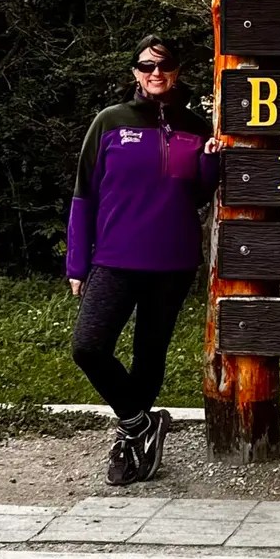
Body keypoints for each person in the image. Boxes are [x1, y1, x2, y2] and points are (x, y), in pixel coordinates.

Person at [67, 37, 221, 487]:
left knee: (149, 354)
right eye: (146, 65)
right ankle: (140, 423)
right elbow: (84, 195)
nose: (155, 72)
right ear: (134, 71)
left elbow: (196, 195)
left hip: (172, 262)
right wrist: (78, 263)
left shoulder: (196, 127)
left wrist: (210, 165)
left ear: (176, 70)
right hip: (114, 259)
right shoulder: (109, 122)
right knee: (89, 347)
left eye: (164, 64)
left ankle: (130, 441)